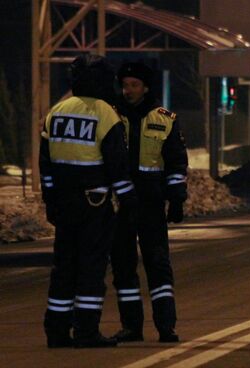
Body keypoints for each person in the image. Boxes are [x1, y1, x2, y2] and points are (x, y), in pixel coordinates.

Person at [40, 54, 137, 348]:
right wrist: (129, 202)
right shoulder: (105, 113)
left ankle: (56, 331)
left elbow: (45, 165)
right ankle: (86, 331)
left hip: (62, 202)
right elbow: (117, 166)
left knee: (64, 267)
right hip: (94, 202)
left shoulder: (56, 111)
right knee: (91, 267)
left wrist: (50, 200)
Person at [110, 62, 188, 343]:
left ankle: (166, 326)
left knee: (158, 264)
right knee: (123, 266)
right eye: (125, 84)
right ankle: (132, 327)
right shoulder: (111, 116)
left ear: (145, 87)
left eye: (133, 84)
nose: (127, 90)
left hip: (151, 202)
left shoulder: (164, 118)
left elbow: (176, 162)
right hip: (120, 204)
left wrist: (176, 198)